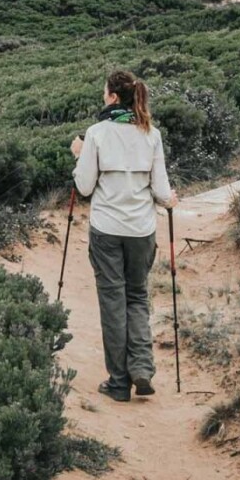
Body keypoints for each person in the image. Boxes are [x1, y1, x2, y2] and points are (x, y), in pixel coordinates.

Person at [70, 69, 176, 402]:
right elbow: (161, 190)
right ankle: (142, 368)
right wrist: (170, 201)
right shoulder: (151, 134)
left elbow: (84, 187)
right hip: (141, 230)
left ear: (114, 97)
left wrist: (79, 156)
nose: (103, 97)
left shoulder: (97, 133)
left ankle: (118, 382)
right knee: (137, 297)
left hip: (106, 229)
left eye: (105, 93)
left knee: (113, 302)